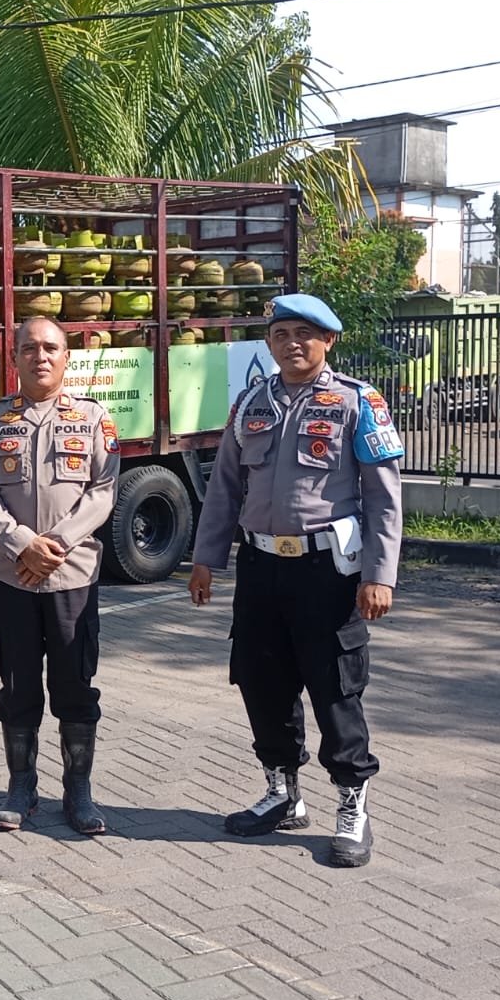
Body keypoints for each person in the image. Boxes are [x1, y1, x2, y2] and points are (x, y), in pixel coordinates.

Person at [188, 293, 404, 868]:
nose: (292, 344)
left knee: (334, 688)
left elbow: (384, 499)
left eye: (305, 333)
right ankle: (283, 793)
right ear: (269, 342)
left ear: (328, 340)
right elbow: (224, 487)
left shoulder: (357, 402)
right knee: (263, 682)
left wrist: (379, 575)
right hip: (261, 568)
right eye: (281, 334)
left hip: (326, 572)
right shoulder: (250, 403)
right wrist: (206, 558)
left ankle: (352, 805)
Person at [0, 317, 120, 834]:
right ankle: (21, 786)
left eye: (51, 348)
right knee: (17, 685)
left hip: (72, 576)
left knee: (75, 685)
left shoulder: (93, 418)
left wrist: (54, 544)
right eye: (29, 348)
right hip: (14, 577)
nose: (40, 356)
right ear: (13, 357)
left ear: (66, 357)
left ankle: (78, 791)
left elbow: (103, 489)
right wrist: (22, 545)